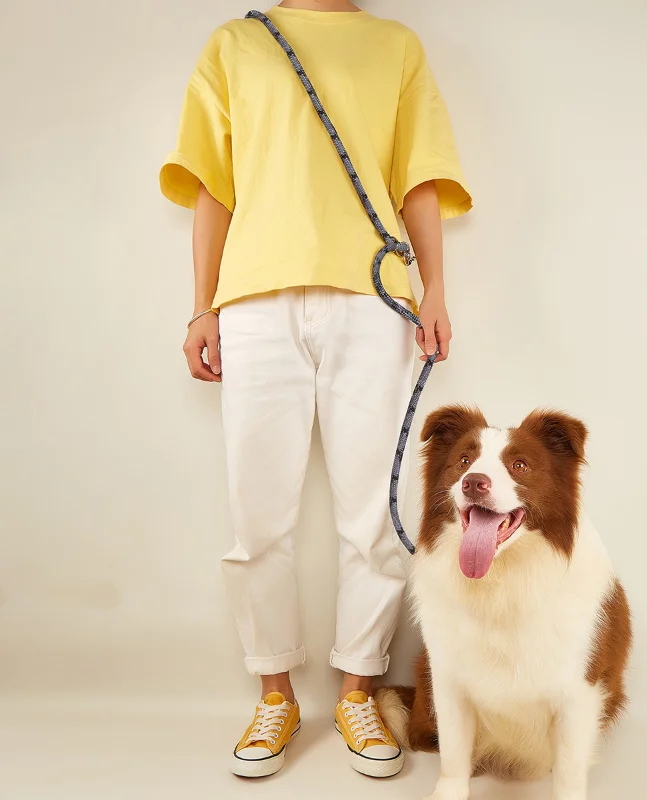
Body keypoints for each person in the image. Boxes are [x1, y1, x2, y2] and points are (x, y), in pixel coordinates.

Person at [159, 0, 470, 779]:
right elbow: (214, 187)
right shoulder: (235, 43)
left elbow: (418, 178)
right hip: (256, 303)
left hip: (372, 302)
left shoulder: (396, 46)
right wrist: (203, 304)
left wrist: (434, 288)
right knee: (255, 513)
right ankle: (274, 694)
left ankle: (357, 690)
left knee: (374, 513)